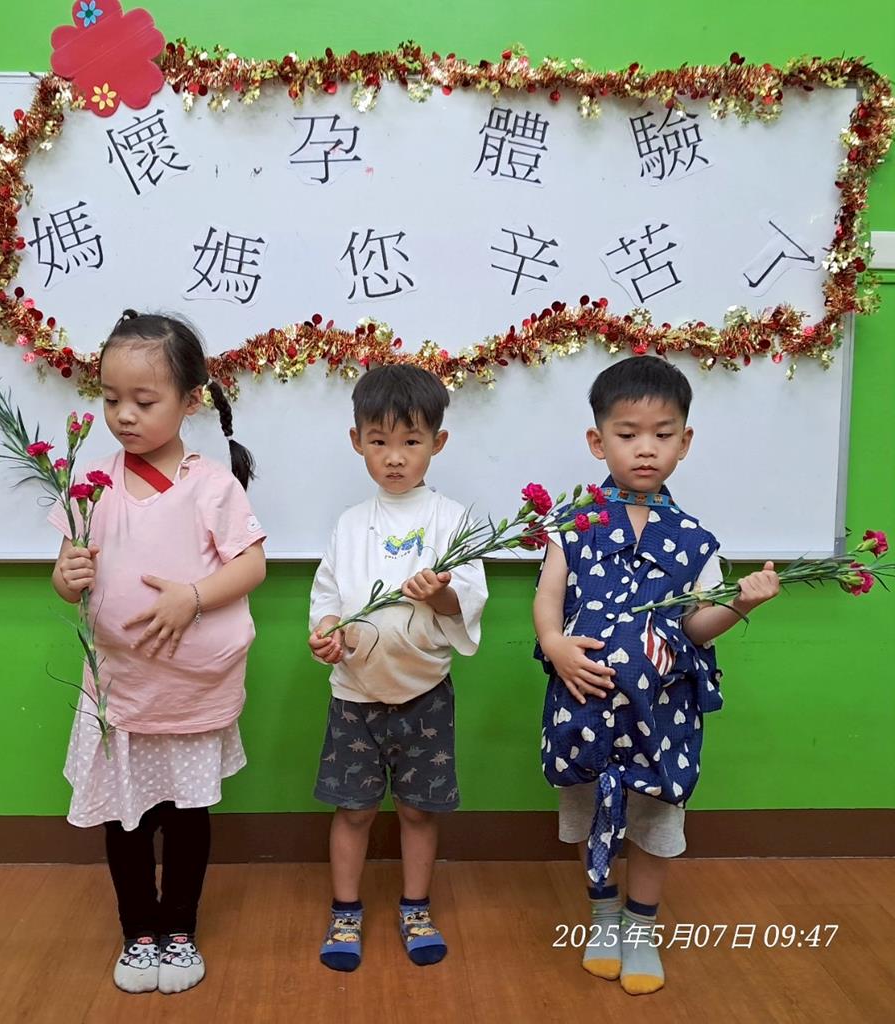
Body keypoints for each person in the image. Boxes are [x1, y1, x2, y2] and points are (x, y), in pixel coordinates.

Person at [533, 355, 779, 995]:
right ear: (598, 441)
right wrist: (554, 645)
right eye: (628, 433)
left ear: (684, 442)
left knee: (655, 819)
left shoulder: (695, 539)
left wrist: (741, 603)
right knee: (585, 809)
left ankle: (641, 928)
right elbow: (548, 596)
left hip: (661, 715)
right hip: (584, 705)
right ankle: (602, 916)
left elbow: (696, 627)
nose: (646, 448)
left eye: (662, 434)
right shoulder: (573, 525)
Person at [50, 311, 267, 994]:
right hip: (122, 691)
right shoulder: (92, 483)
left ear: (191, 400)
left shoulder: (212, 485)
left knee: (186, 816)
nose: (124, 415)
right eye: (111, 398)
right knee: (126, 819)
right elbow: (66, 573)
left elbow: (251, 565)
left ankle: (180, 929)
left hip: (189, 691)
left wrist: (193, 598)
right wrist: (67, 577)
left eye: (144, 401)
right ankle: (138, 933)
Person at [307, 364, 488, 971]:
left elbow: (468, 602)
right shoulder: (349, 523)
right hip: (354, 693)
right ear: (356, 440)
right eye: (379, 440)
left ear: (438, 442)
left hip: (424, 693)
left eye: (411, 441)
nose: (394, 457)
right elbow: (328, 597)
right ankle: (345, 911)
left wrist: (442, 594)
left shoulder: (453, 520)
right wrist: (327, 633)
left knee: (418, 809)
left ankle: (416, 907)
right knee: (353, 809)